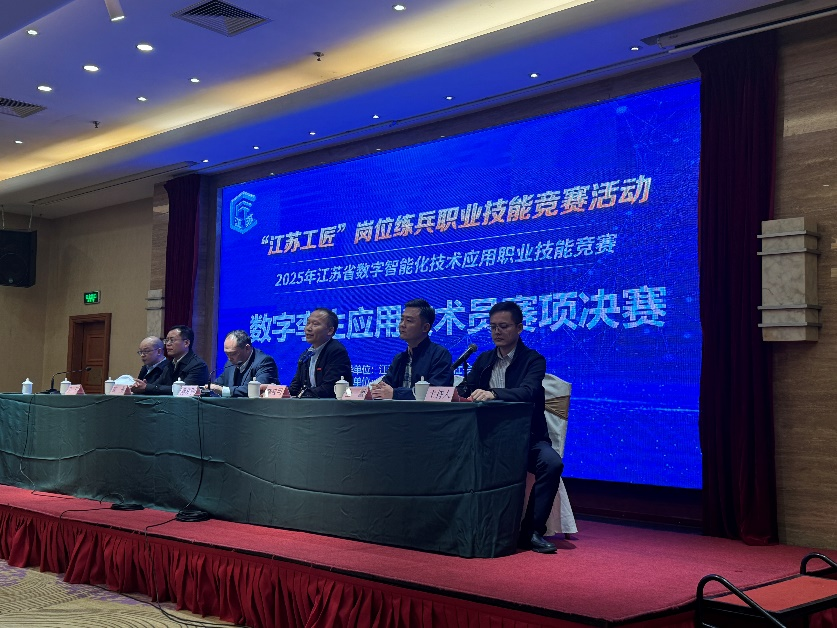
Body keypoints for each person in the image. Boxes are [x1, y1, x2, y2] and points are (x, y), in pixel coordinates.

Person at [457, 301, 564, 554]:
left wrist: (494, 393)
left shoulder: (533, 360)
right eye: (493, 326)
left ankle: (531, 532)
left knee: (552, 464)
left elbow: (528, 391)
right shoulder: (484, 359)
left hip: (527, 438)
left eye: (503, 326)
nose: (497, 332)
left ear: (519, 328)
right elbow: (465, 388)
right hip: (486, 438)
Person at [371, 299, 453, 399]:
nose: (402, 325)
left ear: (425, 328)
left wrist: (395, 394)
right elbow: (385, 386)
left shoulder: (440, 355)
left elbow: (436, 392)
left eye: (409, 321)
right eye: (402, 319)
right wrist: (378, 390)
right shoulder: (400, 358)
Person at [288, 308, 353, 398]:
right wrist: (277, 391)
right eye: (308, 323)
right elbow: (295, 388)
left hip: (331, 405)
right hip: (310, 404)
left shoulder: (336, 351)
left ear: (330, 331)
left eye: (315, 324)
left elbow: (330, 389)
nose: (308, 328)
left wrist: (303, 394)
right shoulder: (306, 355)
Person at [208, 330, 279, 397]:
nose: (229, 358)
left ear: (247, 348)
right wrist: (208, 387)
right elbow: (219, 383)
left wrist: (225, 391)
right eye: (227, 354)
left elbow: (258, 390)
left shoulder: (264, 362)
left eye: (233, 353)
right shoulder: (230, 363)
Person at [152, 324, 210, 395]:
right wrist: (145, 387)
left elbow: (182, 391)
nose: (167, 344)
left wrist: (147, 387)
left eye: (172, 340)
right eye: (166, 340)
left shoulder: (198, 365)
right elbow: (157, 385)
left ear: (186, 343)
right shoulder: (170, 364)